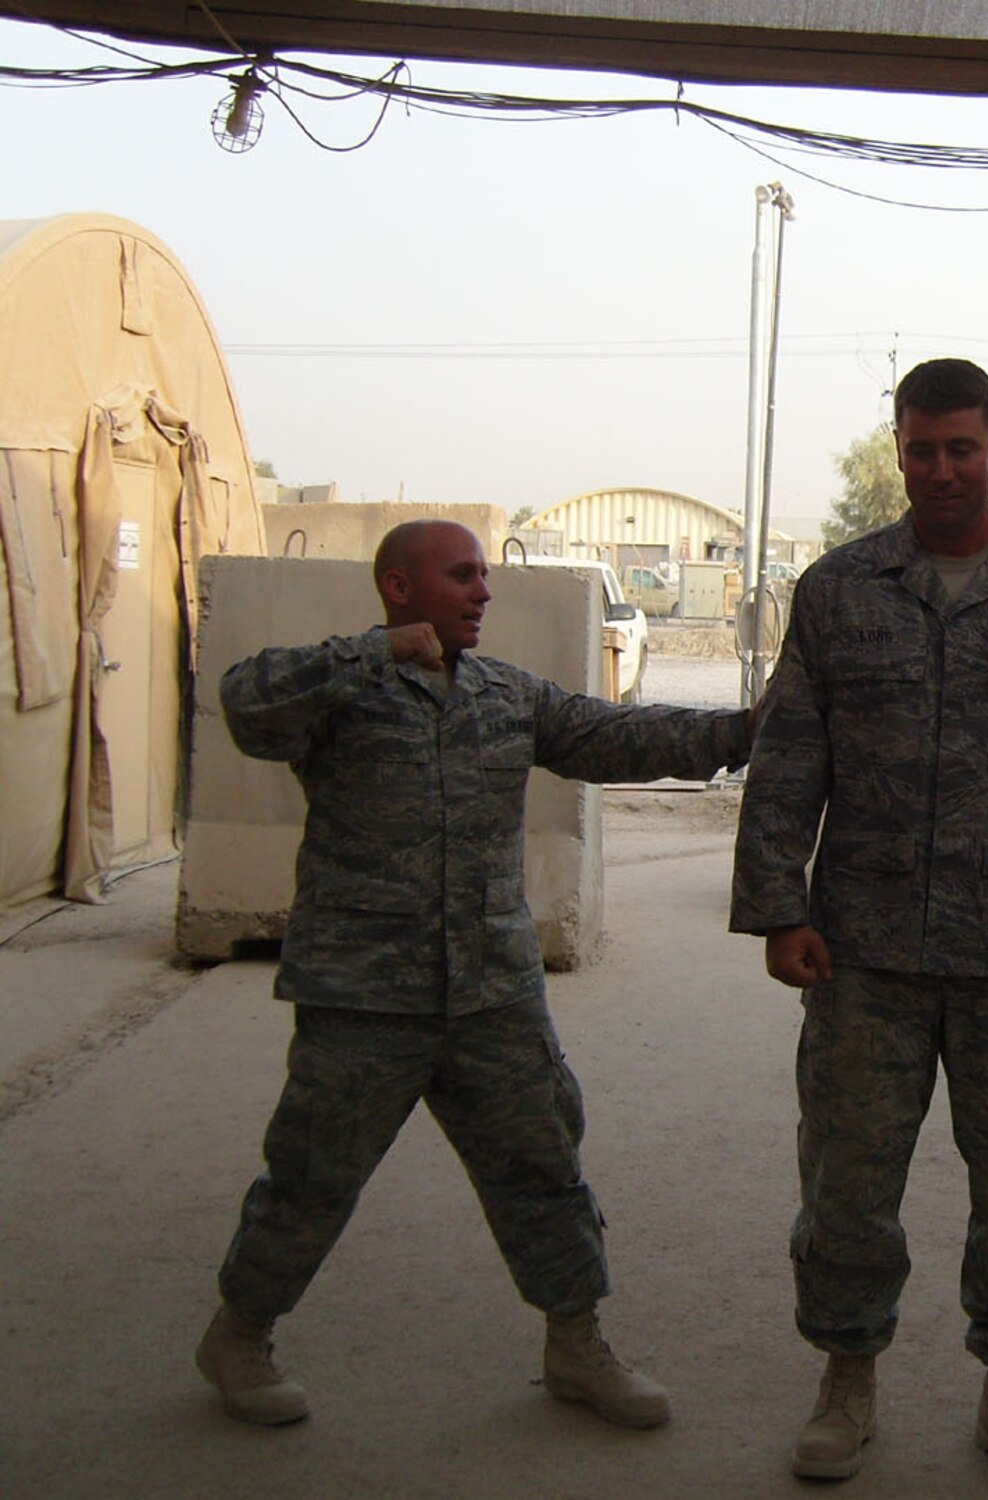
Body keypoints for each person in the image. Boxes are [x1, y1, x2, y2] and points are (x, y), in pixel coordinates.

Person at [195, 520, 753, 1431]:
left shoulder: (505, 695)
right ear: (399, 587)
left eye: (484, 576)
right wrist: (372, 654)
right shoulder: (342, 692)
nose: (483, 592)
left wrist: (739, 730)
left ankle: (575, 1344)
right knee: (310, 1177)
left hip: (491, 991)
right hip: (364, 996)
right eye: (462, 576)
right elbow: (244, 703)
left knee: (543, 1167)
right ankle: (239, 1333)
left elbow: (612, 737)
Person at [731, 358, 988, 1486]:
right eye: (921, 449)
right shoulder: (838, 589)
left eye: (963, 448)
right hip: (862, 949)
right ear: (898, 450)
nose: (942, 469)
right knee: (848, 1181)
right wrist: (776, 906)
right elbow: (790, 758)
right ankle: (846, 1379)